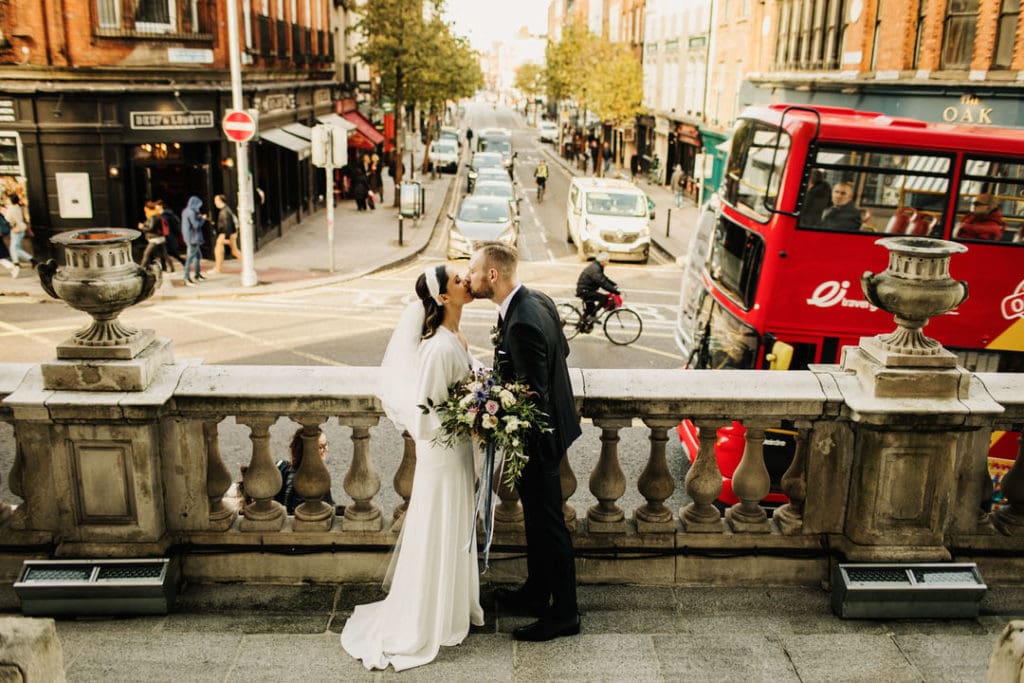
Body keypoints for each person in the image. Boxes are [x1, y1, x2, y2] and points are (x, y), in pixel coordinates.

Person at [341, 264, 483, 671]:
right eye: (458, 280)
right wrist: (472, 417)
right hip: (441, 456)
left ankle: (451, 607)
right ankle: (428, 618)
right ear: (442, 298)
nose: (466, 281)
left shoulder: (456, 336)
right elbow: (424, 415)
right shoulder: (438, 347)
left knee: (454, 527)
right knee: (439, 527)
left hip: (455, 453)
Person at [466, 242, 582, 643]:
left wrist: (494, 415)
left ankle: (565, 613)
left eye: (474, 270)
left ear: (492, 276)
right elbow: (561, 353)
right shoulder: (538, 301)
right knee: (537, 519)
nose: (469, 277)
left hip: (539, 442)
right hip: (553, 432)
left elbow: (532, 396)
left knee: (550, 526)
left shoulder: (521, 323)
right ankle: (537, 591)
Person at [274, 428, 335, 514]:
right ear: (305, 450)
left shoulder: (281, 466)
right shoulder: (318, 480)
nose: (326, 449)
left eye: (326, 444)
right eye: (321, 447)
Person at [576, 252, 620, 332]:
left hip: (586, 290)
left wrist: (613, 284)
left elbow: (604, 278)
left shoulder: (597, 267)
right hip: (585, 291)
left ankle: (583, 326)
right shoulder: (595, 269)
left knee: (590, 309)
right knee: (604, 298)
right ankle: (592, 317)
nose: (607, 263)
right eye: (607, 261)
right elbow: (602, 282)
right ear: (602, 261)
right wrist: (615, 291)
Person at [138, 200, 171, 272]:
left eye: (145, 209)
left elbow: (151, 227)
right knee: (163, 254)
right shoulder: (154, 215)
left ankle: (141, 269)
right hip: (158, 237)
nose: (144, 210)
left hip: (155, 238)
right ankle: (168, 268)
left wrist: (142, 227)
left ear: (147, 208)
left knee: (146, 253)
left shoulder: (152, 216)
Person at [180, 195, 207, 286]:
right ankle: (186, 278)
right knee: (190, 258)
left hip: (189, 237)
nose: (199, 207)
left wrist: (198, 217)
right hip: (193, 239)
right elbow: (196, 225)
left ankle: (197, 274)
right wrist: (202, 219)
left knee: (198, 256)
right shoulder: (191, 212)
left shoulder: (186, 211)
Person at [213, 194, 242, 273]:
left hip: (226, 233)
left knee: (219, 249)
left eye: (216, 201)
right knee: (232, 250)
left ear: (220, 201)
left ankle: (218, 268)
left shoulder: (224, 212)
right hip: (230, 233)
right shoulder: (226, 209)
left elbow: (227, 225)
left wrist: (226, 238)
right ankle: (218, 267)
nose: (215, 203)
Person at [3, 194, 33, 268]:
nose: (6, 200)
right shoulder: (18, 207)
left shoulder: (11, 209)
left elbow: (7, 220)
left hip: (16, 229)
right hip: (21, 228)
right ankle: (16, 263)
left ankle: (31, 259)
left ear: (11, 200)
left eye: (8, 199)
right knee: (15, 247)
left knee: (15, 248)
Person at [157, 200, 187, 268]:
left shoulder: (165, 216)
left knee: (168, 252)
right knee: (165, 252)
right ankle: (165, 266)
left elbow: (166, 227)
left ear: (161, 206)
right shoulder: (168, 214)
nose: (156, 207)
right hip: (169, 235)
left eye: (157, 206)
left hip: (168, 236)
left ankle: (181, 261)